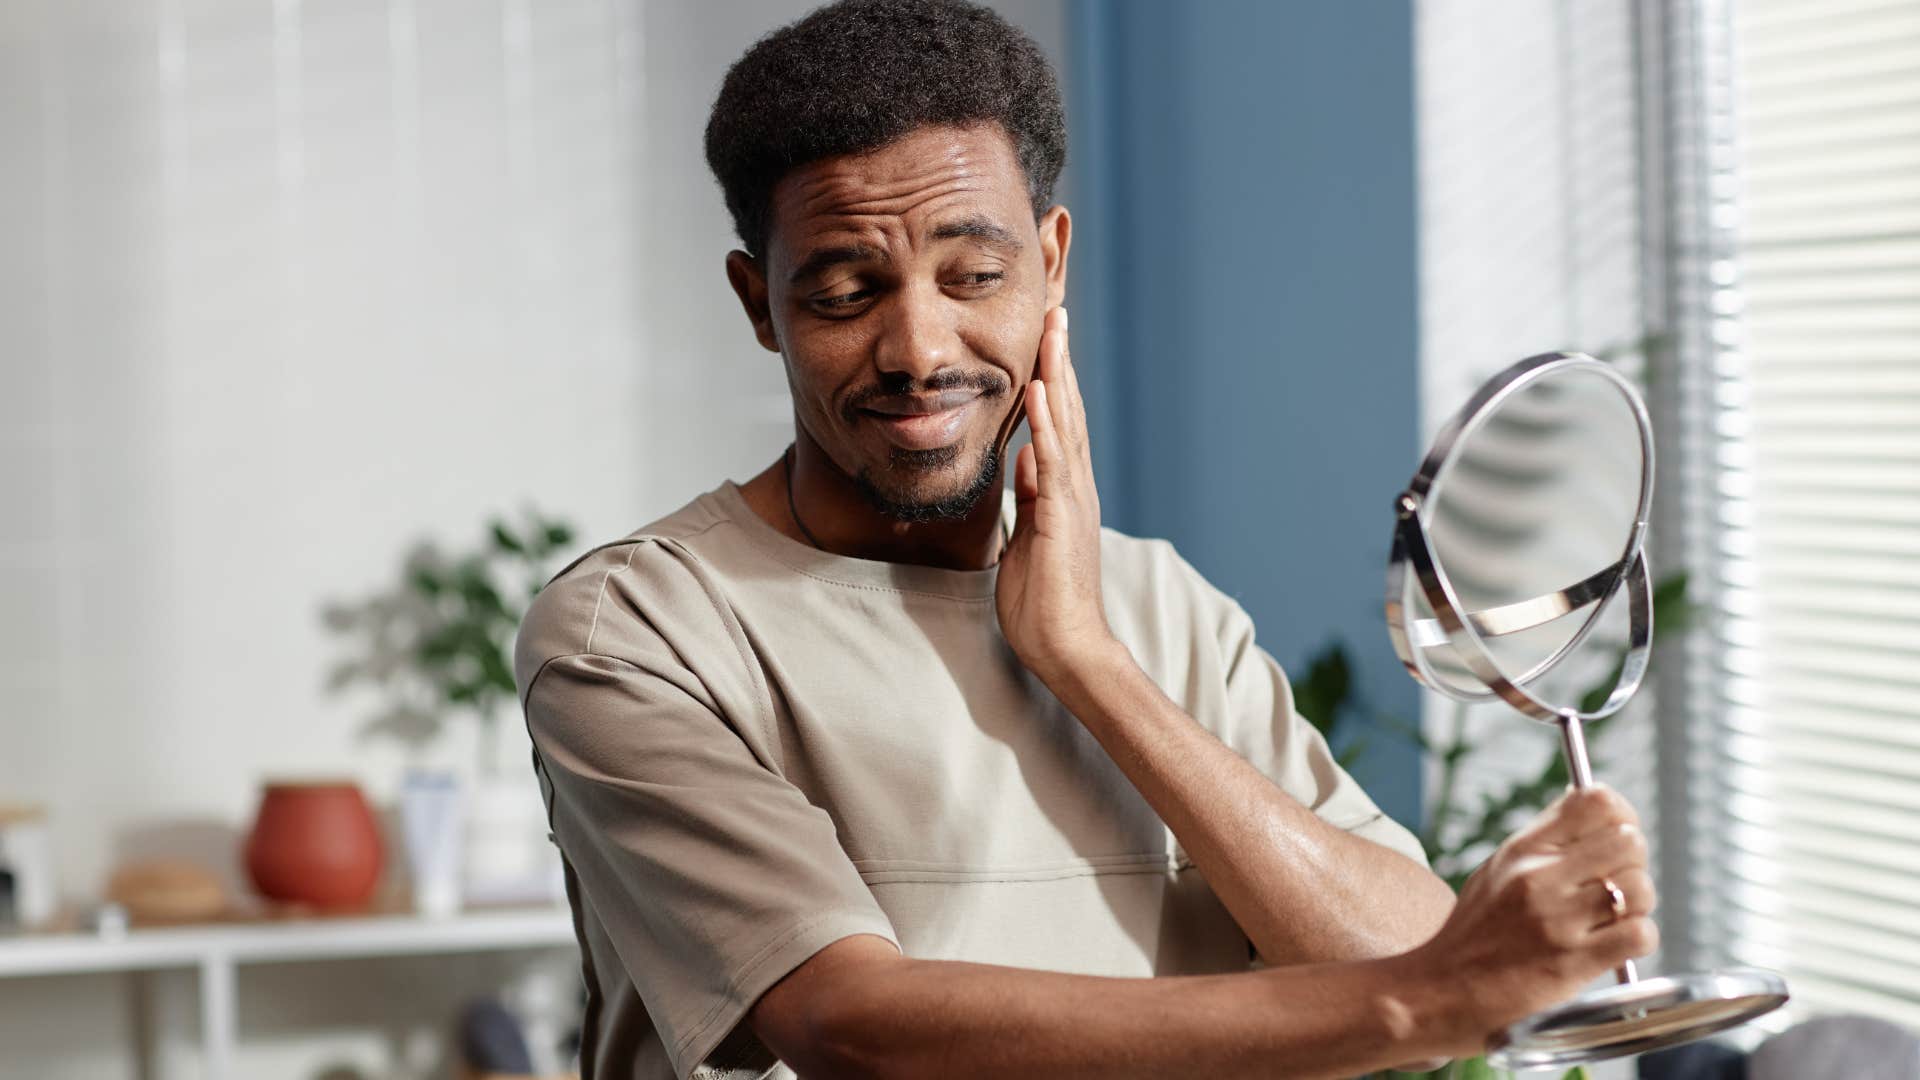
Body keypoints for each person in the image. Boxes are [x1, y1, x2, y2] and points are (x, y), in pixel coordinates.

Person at [511, 2, 1658, 1077]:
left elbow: (1404, 944)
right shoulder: (638, 632)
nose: (919, 347)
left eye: (977, 276)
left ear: (1052, 261)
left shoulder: (1159, 607)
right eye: (848, 291)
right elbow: (845, 1025)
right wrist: (1420, 1000)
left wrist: (1087, 657)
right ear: (760, 304)